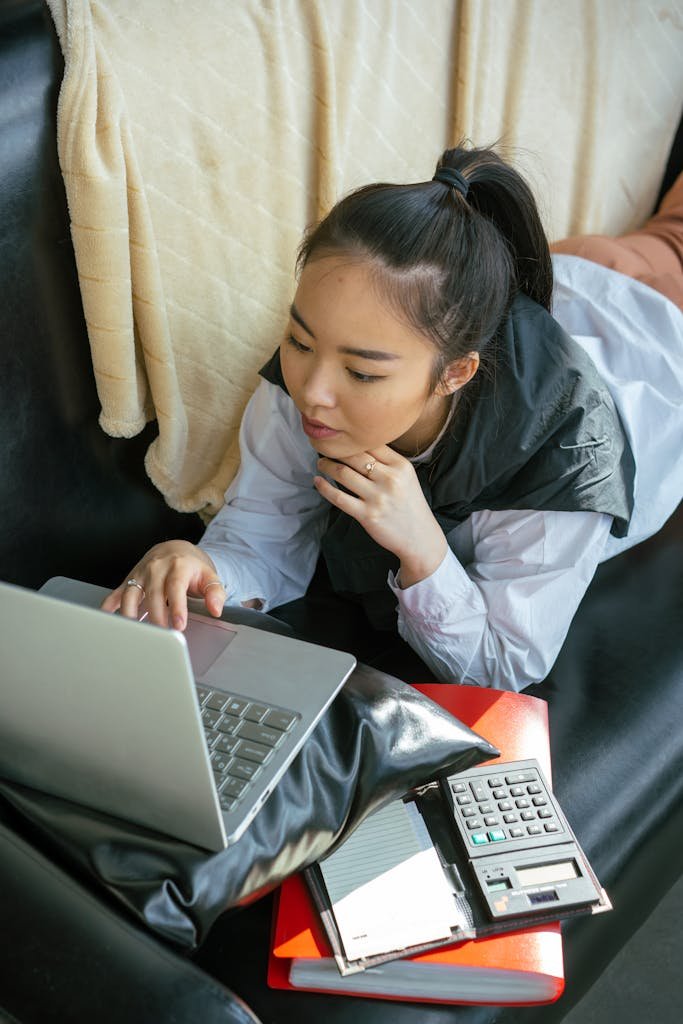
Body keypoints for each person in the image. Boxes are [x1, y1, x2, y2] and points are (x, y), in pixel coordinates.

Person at [102, 144, 683, 691]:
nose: (312, 393)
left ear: (456, 373)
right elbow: (263, 542)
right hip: (586, 273)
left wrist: (423, 550)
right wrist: (200, 565)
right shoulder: (303, 387)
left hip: (664, 343)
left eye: (362, 372)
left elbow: (505, 665)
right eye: (300, 341)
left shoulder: (558, 455)